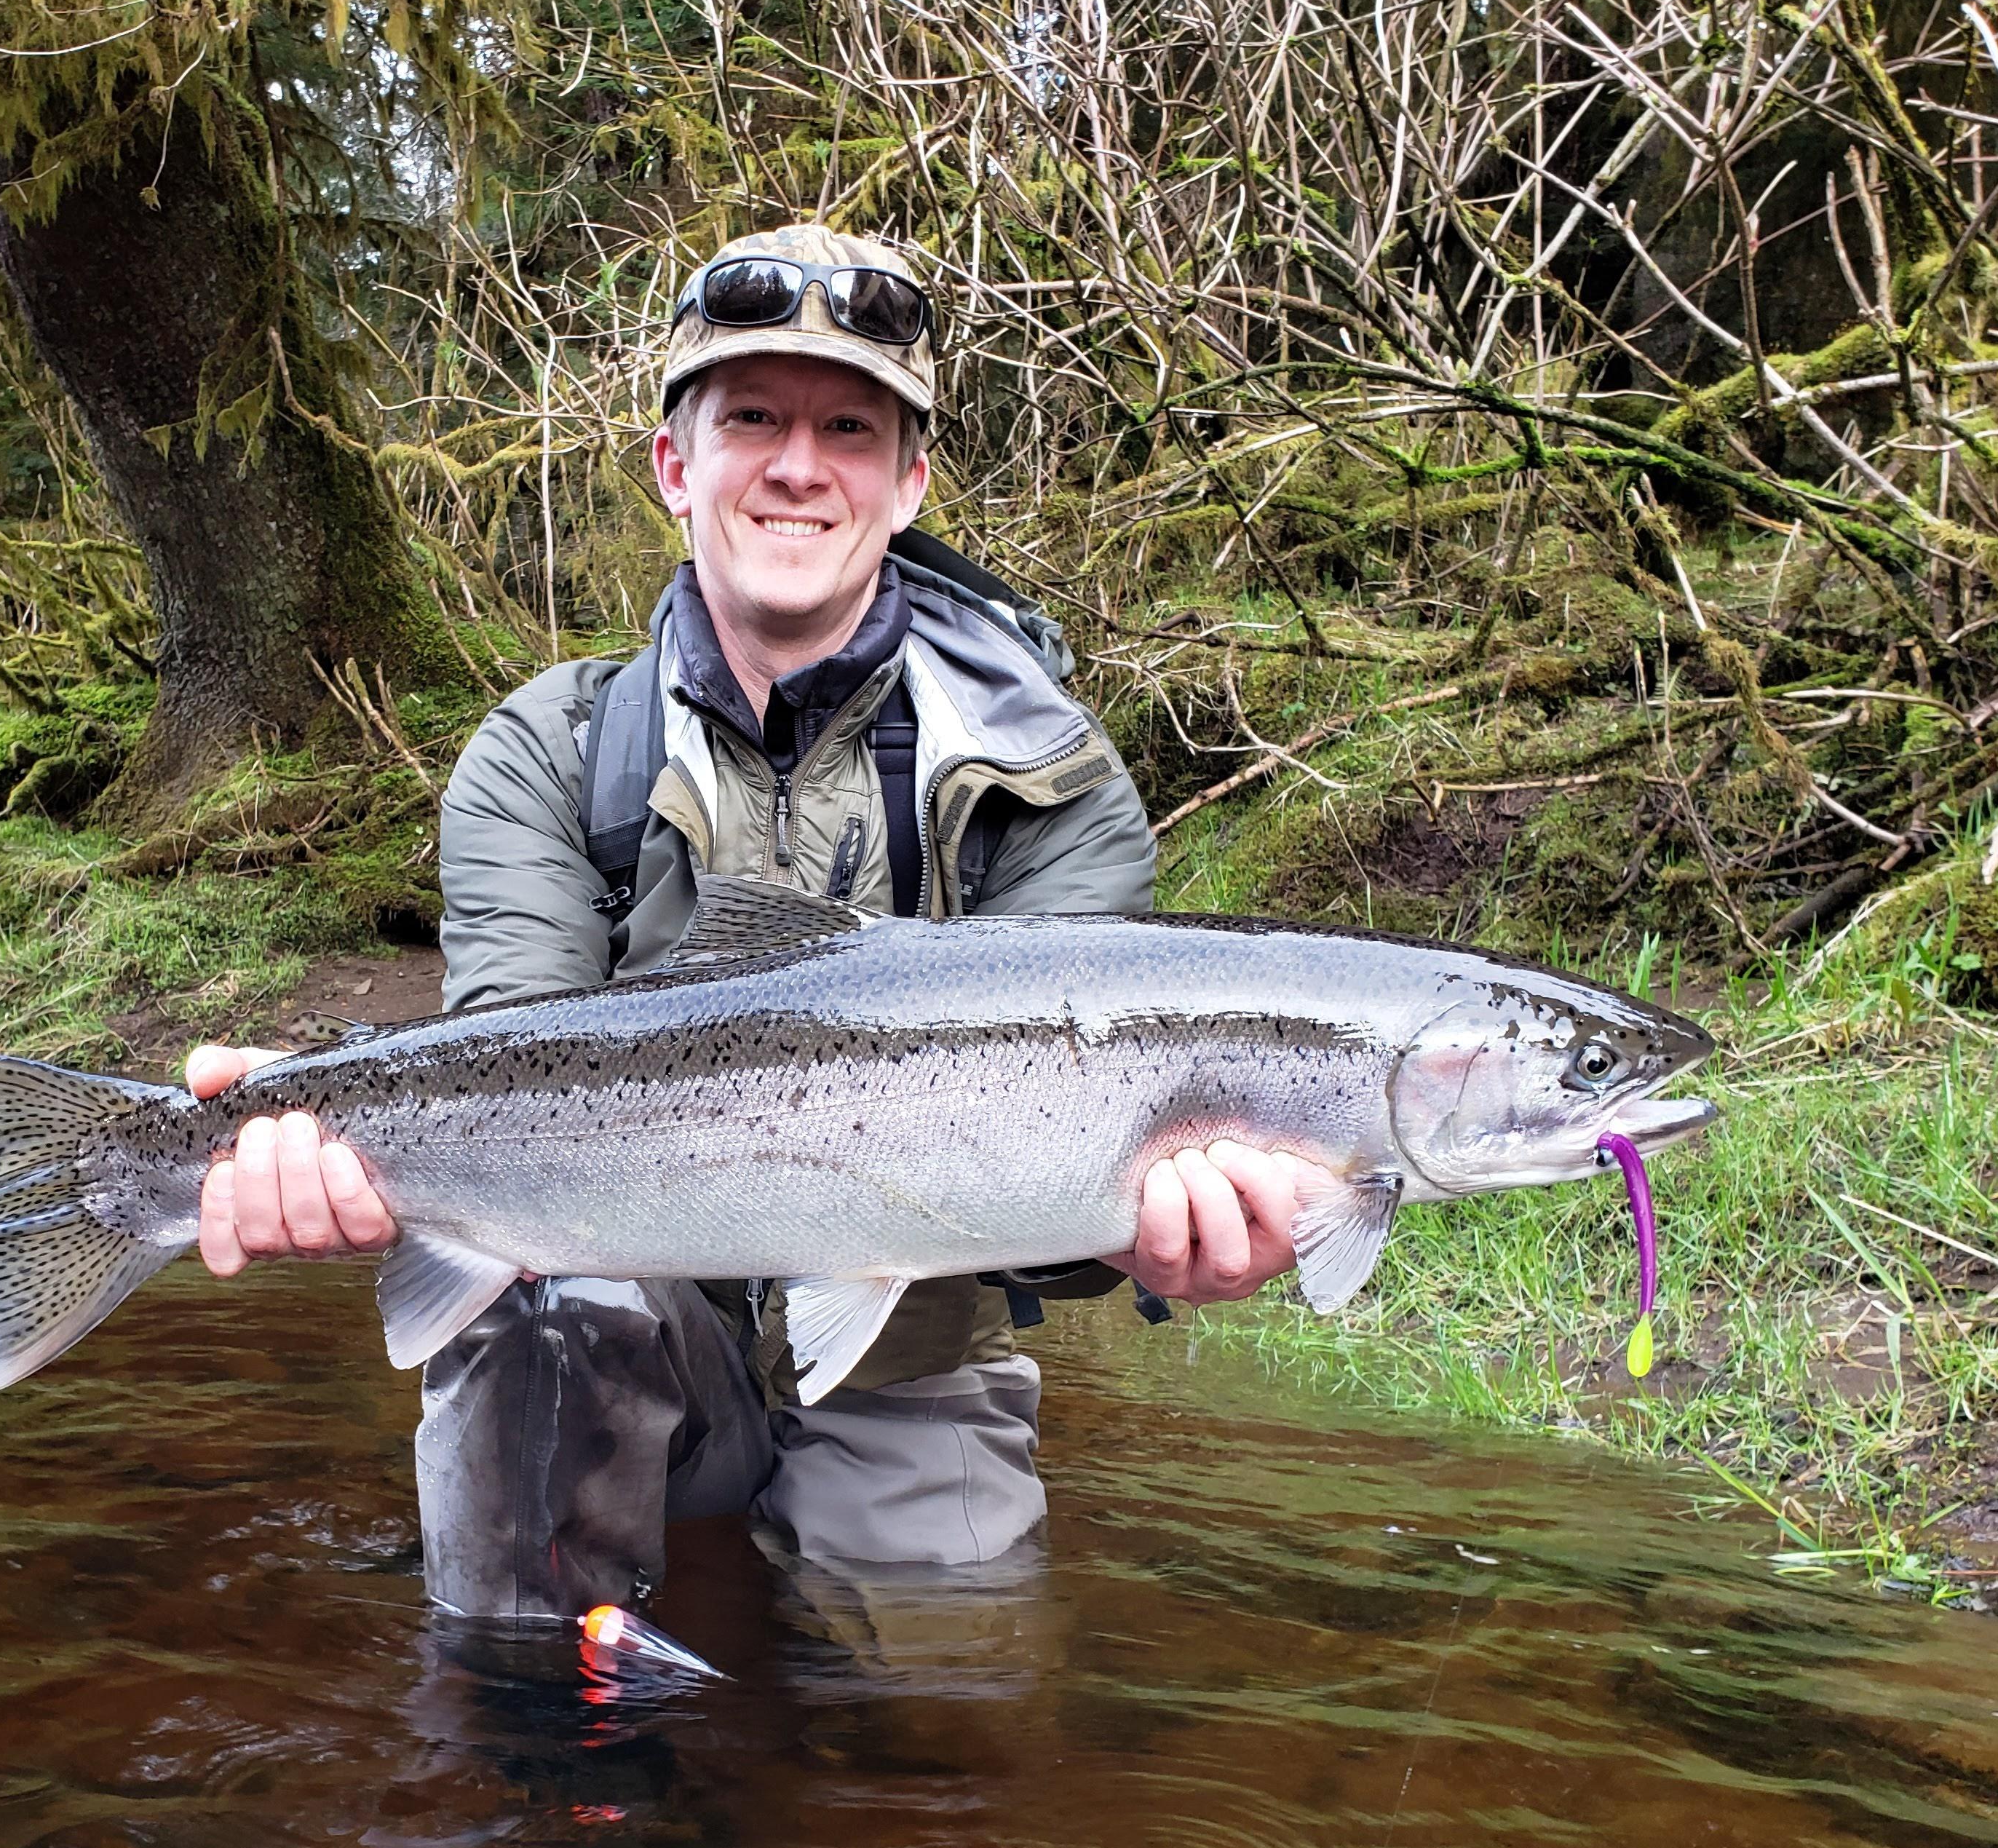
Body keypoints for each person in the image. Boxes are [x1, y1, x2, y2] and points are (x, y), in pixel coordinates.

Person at [185, 226, 1312, 1620]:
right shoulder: (549, 755)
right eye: (754, 420)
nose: (798, 466)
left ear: (908, 484)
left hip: (912, 1360)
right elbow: (502, 1076)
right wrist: (334, 1135)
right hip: (626, 1318)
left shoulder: (1052, 779)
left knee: (943, 1721)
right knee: (546, 1318)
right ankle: (532, 1705)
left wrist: (1145, 1240)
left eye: (849, 429)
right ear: (677, 465)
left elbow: (1073, 1162)